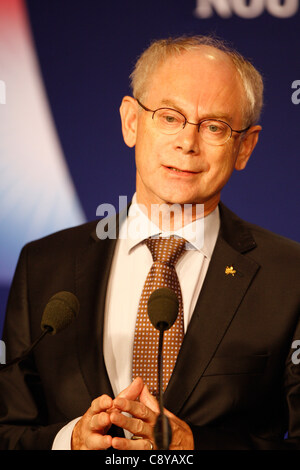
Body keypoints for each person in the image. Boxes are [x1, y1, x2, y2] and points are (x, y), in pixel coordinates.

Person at [0, 35, 299, 451]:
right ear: (131, 122)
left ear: (244, 147)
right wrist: (69, 442)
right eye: (169, 117)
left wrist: (195, 448)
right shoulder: (43, 265)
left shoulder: (290, 276)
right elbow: (8, 430)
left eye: (214, 126)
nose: (187, 143)